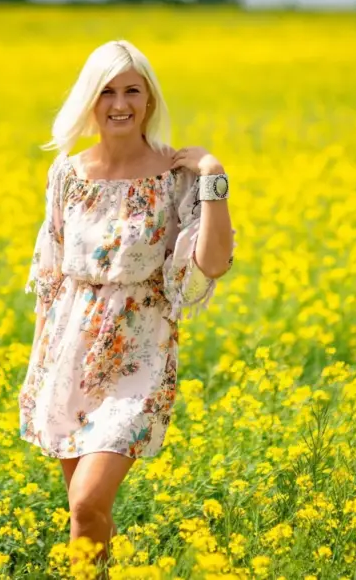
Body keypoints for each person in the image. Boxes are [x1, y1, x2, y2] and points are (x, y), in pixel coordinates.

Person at [18, 39, 237, 570]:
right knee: (85, 515)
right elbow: (50, 275)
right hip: (68, 352)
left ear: (150, 100)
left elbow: (212, 263)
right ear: (89, 101)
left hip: (138, 356)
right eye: (107, 91)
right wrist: (39, 370)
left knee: (90, 499)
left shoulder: (178, 174)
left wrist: (214, 178)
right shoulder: (67, 175)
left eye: (132, 90)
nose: (120, 103)